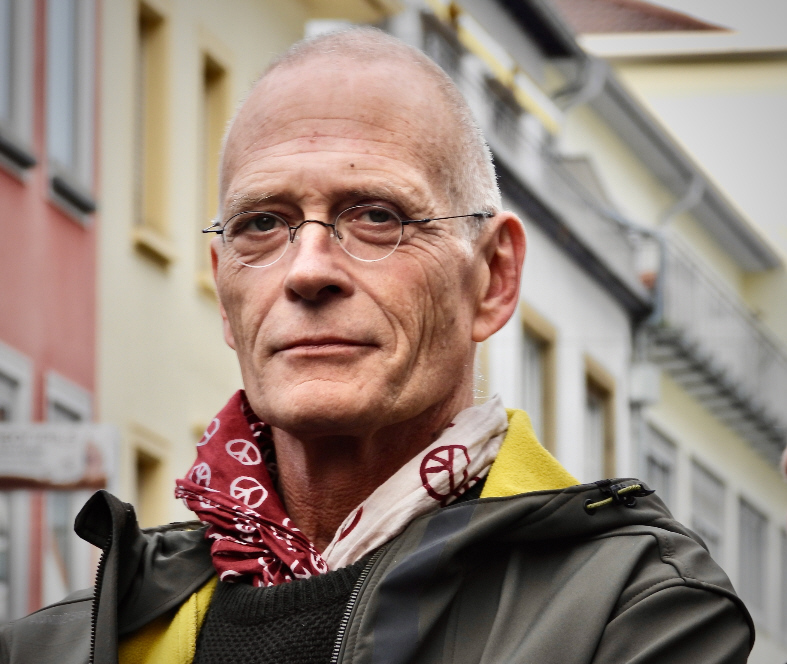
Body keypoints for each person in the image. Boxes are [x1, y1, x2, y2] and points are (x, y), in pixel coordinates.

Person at [0, 27, 753, 664]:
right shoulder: (63, 644)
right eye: (262, 223)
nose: (307, 270)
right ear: (225, 292)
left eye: (376, 216)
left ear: (492, 278)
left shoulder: (633, 607)